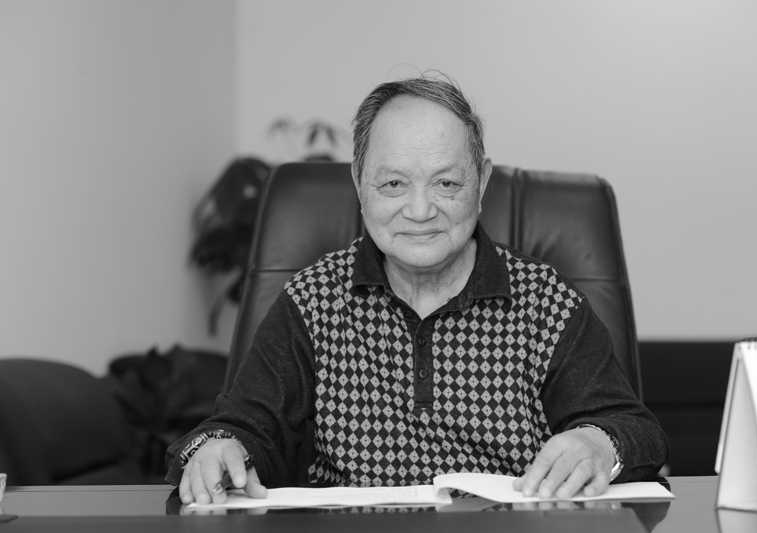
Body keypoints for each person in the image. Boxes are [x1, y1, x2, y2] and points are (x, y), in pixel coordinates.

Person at [166, 74, 669, 506]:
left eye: (446, 184)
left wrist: (599, 443)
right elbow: (246, 424)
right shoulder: (313, 300)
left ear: (481, 182)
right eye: (393, 185)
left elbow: (634, 430)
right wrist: (219, 448)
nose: (421, 211)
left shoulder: (546, 303)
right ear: (359, 183)